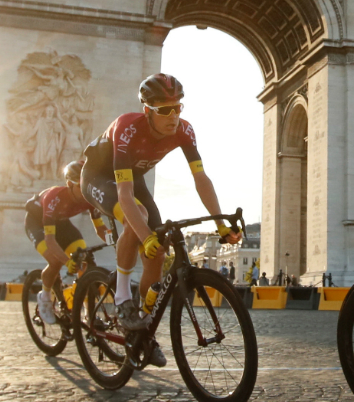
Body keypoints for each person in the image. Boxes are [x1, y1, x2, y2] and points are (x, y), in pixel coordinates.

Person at [80, 73, 240, 366]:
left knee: (158, 252)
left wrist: (220, 224)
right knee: (138, 219)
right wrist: (144, 235)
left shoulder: (185, 131)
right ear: (147, 111)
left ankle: (142, 328)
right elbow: (125, 196)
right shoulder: (127, 128)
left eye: (178, 107)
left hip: (133, 176)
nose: (173, 116)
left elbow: (201, 179)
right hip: (99, 178)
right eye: (164, 110)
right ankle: (122, 300)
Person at [24, 159, 109, 325]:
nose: (86, 190)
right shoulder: (53, 197)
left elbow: (100, 228)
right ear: (70, 184)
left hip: (62, 223)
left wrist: (118, 244)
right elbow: (50, 240)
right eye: (81, 185)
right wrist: (67, 261)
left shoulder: (90, 197)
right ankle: (45, 297)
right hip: (37, 223)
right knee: (55, 261)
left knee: (85, 261)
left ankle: (88, 313)